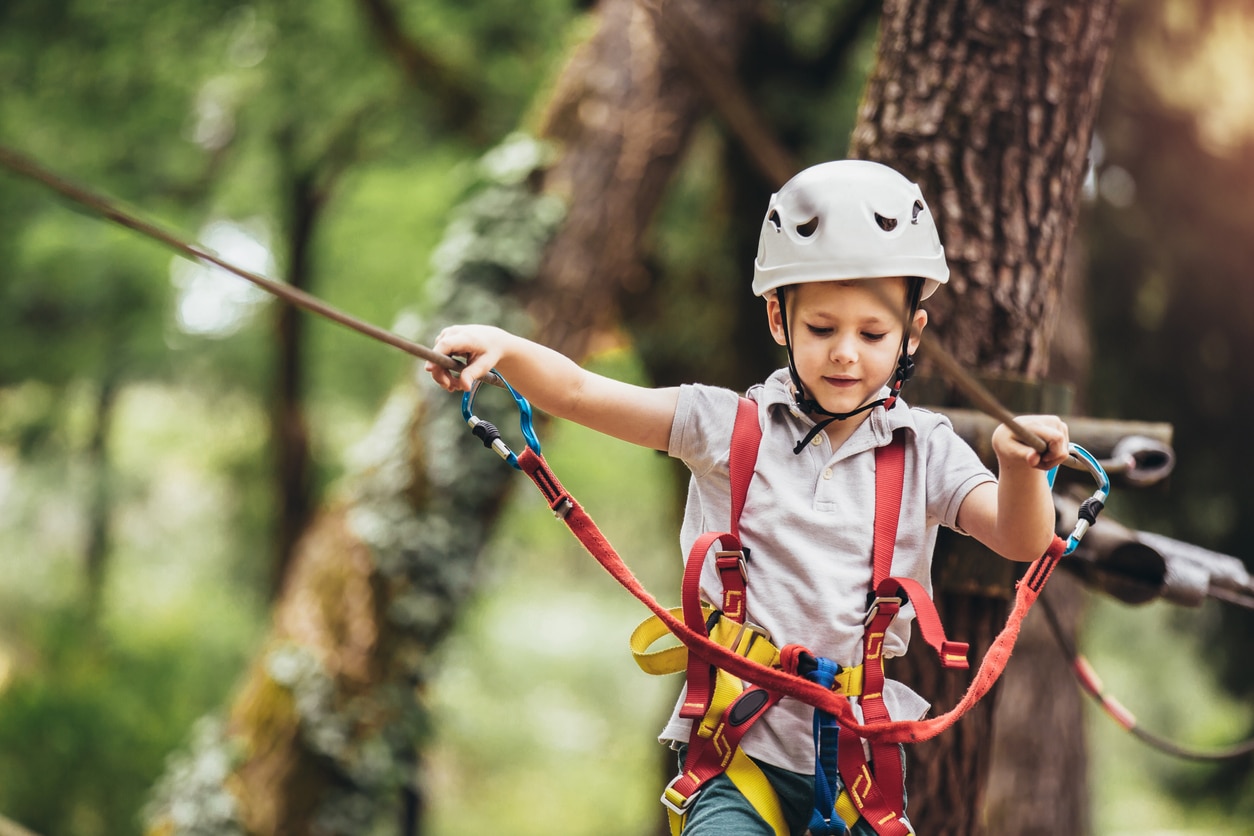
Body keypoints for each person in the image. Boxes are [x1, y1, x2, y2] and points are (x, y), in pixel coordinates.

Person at [425, 159, 1069, 835]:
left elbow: (1019, 539)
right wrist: (506, 348)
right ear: (777, 319)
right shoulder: (723, 426)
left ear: (911, 334)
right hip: (738, 759)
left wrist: (1020, 470)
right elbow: (586, 394)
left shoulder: (923, 448)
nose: (846, 354)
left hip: (856, 769)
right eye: (822, 329)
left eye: (873, 335)